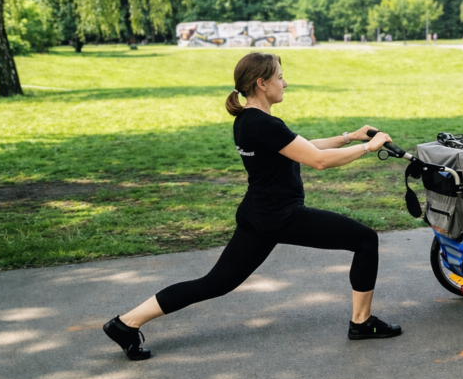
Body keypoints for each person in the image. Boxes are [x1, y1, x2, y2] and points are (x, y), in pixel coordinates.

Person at [103, 52, 402, 360]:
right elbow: (319, 161)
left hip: (259, 214)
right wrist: (367, 147)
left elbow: (299, 147)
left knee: (215, 283)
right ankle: (361, 322)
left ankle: (125, 323)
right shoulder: (262, 123)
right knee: (365, 240)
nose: (285, 83)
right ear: (262, 83)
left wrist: (348, 137)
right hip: (280, 216)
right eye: (280, 77)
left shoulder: (249, 120)